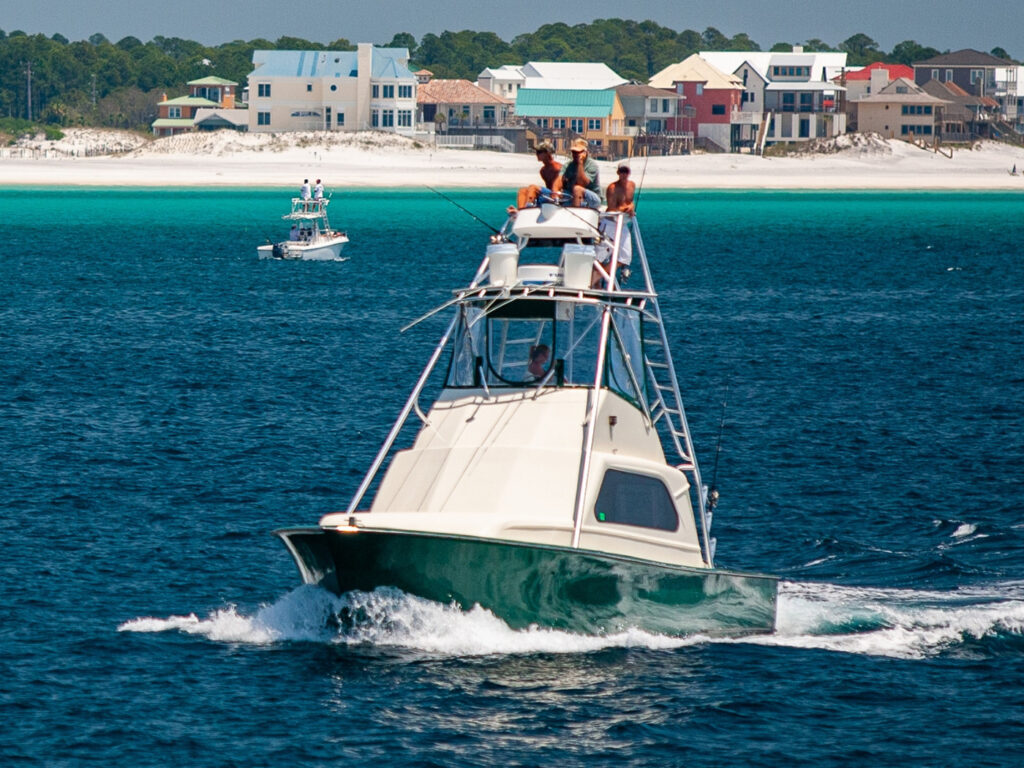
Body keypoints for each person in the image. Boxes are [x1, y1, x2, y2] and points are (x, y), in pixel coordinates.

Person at [592, 163, 636, 287]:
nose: (624, 174)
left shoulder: (632, 185)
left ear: (629, 172)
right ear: (618, 173)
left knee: (625, 257)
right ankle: (596, 283)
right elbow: (611, 209)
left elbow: (630, 202)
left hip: (623, 224)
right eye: (621, 171)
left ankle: (596, 278)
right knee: (600, 257)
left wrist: (631, 207)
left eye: (626, 171)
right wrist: (625, 209)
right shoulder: (612, 188)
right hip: (610, 224)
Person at [508, 141, 564, 214]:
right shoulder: (543, 171)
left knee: (533, 187)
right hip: (548, 194)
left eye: (539, 152)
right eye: (536, 152)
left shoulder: (558, 168)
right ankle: (520, 211)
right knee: (522, 190)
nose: (536, 154)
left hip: (557, 195)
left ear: (547, 153)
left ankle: (527, 209)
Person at [561, 138, 601, 208]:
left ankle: (576, 213)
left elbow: (581, 183)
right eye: (573, 152)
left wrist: (580, 163)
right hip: (572, 194)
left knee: (577, 188)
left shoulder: (592, 165)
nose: (575, 154)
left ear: (585, 153)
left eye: (578, 152)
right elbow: (559, 179)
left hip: (592, 198)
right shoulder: (568, 165)